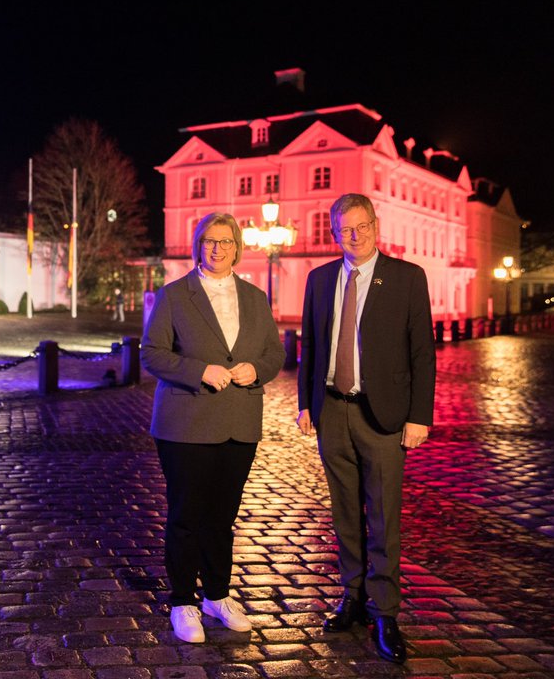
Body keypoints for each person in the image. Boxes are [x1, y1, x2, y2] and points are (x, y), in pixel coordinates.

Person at [296, 193, 435, 664]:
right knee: (344, 514)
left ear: (376, 225)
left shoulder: (407, 277)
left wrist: (420, 416)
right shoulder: (319, 279)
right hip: (332, 409)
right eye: (344, 229)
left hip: (385, 414)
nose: (354, 236)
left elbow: (422, 353)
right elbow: (311, 347)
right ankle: (351, 596)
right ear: (334, 233)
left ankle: (386, 611)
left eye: (361, 226)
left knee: (384, 516)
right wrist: (305, 405)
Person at [142, 212, 285, 644]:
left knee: (223, 518)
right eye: (209, 241)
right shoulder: (174, 295)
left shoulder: (255, 297)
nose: (218, 249)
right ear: (198, 246)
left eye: (225, 242)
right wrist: (200, 370)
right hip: (186, 422)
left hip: (239, 423)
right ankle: (183, 600)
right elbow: (152, 353)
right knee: (186, 515)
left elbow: (275, 354)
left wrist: (254, 369)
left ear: (237, 247)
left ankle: (217, 596)